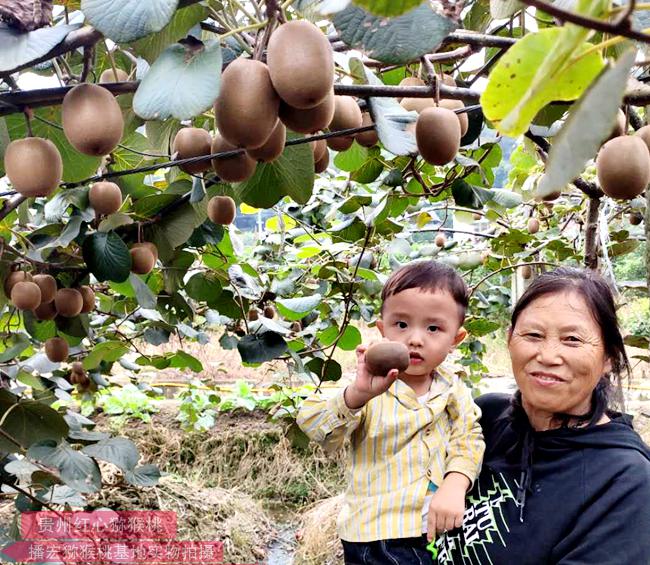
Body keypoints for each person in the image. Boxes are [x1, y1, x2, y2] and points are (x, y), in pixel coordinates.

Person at [436, 267, 650, 564]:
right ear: (510, 339)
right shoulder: (484, 419)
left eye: (572, 339)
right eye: (533, 335)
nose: (548, 356)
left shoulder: (626, 481)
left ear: (609, 358)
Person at [297, 260, 485, 563]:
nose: (414, 338)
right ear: (382, 330)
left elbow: (469, 438)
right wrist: (358, 394)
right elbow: (313, 424)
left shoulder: (454, 389)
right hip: (378, 537)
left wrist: (455, 483)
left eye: (434, 328)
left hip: (436, 533)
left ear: (455, 339)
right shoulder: (370, 388)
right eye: (401, 325)